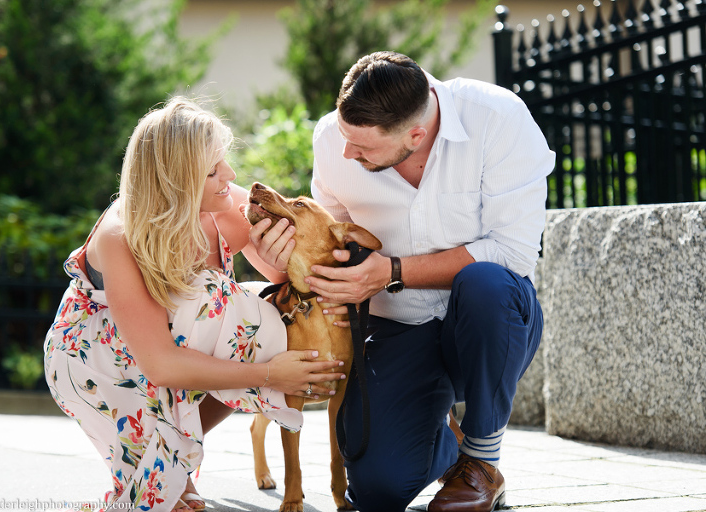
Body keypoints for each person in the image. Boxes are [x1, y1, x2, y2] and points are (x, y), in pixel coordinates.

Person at [265, 51, 555, 512]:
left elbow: (511, 252)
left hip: (488, 328)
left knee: (485, 282)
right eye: (344, 137)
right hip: (396, 330)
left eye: (362, 147)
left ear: (415, 135)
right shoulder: (333, 138)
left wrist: (392, 271)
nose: (346, 153)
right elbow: (334, 243)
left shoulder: (497, 119)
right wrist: (293, 263)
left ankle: (481, 462)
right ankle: (444, 444)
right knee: (379, 489)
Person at [44, 97, 346, 512]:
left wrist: (283, 262)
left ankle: (171, 466)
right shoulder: (123, 235)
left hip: (169, 343)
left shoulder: (229, 206)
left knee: (258, 312)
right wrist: (271, 374)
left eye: (224, 161)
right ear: (174, 179)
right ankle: (161, 473)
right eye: (212, 171)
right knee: (212, 300)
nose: (232, 176)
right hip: (98, 356)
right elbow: (160, 364)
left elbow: (282, 289)